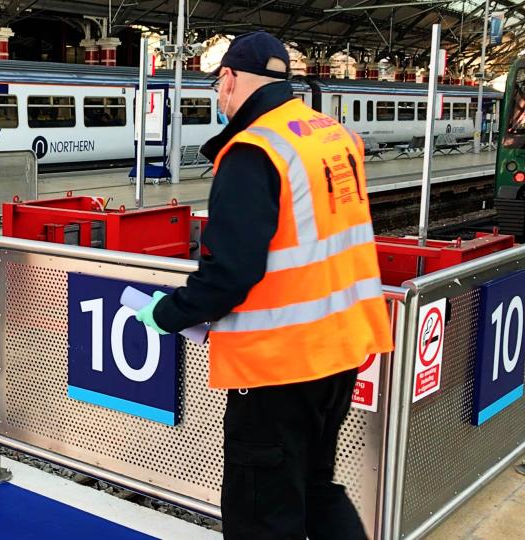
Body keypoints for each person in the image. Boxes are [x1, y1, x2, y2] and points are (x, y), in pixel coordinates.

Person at [135, 32, 393, 539]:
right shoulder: (332, 134)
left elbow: (231, 274)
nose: (217, 95)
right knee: (317, 488)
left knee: (261, 513)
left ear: (229, 79)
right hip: (341, 349)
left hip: (280, 364)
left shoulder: (254, 151)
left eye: (217, 84)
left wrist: (167, 313)